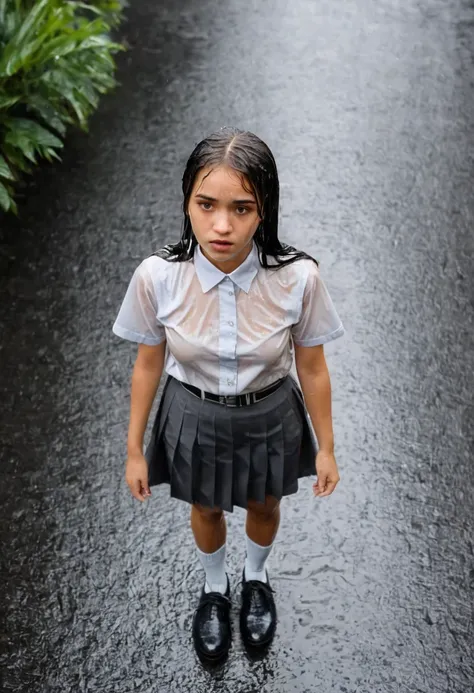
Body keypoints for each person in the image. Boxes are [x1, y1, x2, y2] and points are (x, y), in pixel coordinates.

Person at [112, 127, 345, 663]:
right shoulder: (158, 277)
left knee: (265, 503)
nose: (222, 225)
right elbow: (148, 363)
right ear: (187, 203)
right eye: (206, 204)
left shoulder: (297, 278)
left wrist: (327, 446)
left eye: (242, 208)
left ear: (264, 210)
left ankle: (256, 577)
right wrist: (133, 450)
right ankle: (215, 589)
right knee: (207, 505)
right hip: (193, 414)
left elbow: (312, 366)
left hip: (270, 411)